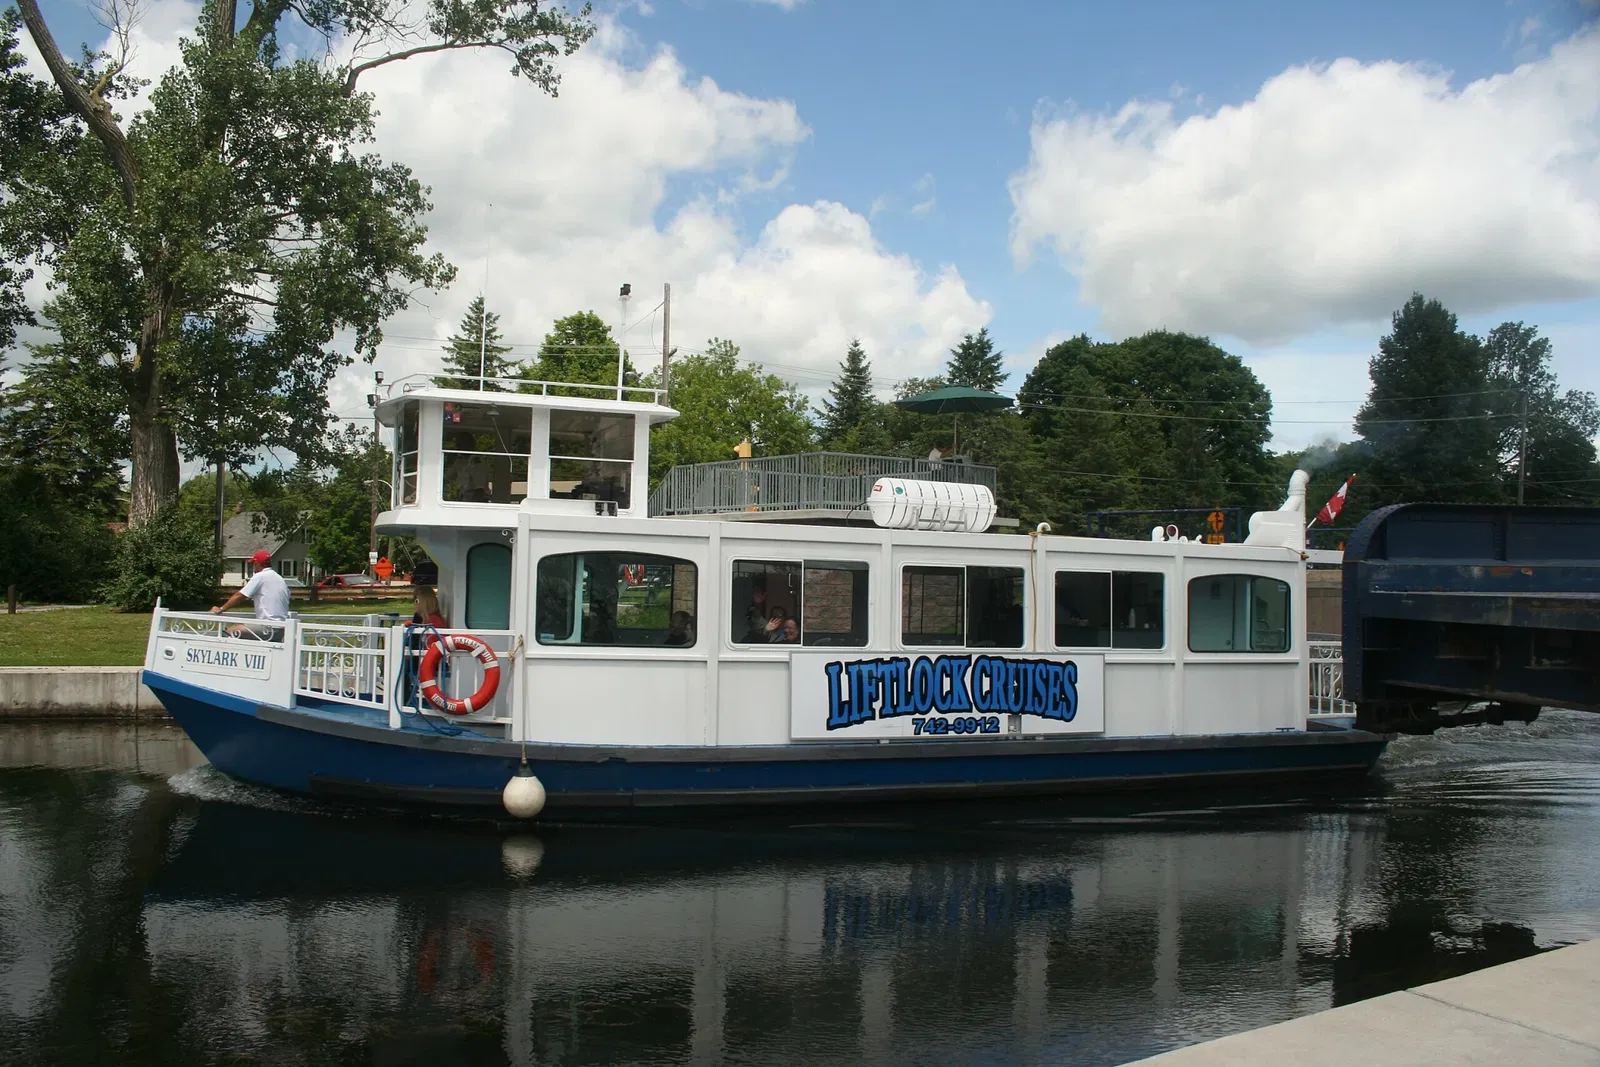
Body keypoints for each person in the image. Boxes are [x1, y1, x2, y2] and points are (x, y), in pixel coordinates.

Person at [212, 550, 290, 638]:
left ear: (257, 563)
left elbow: (240, 596)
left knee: (230, 632)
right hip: (282, 629)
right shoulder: (279, 578)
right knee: (240, 628)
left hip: (268, 628)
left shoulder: (260, 576)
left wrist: (221, 609)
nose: (253, 567)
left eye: (253, 564)